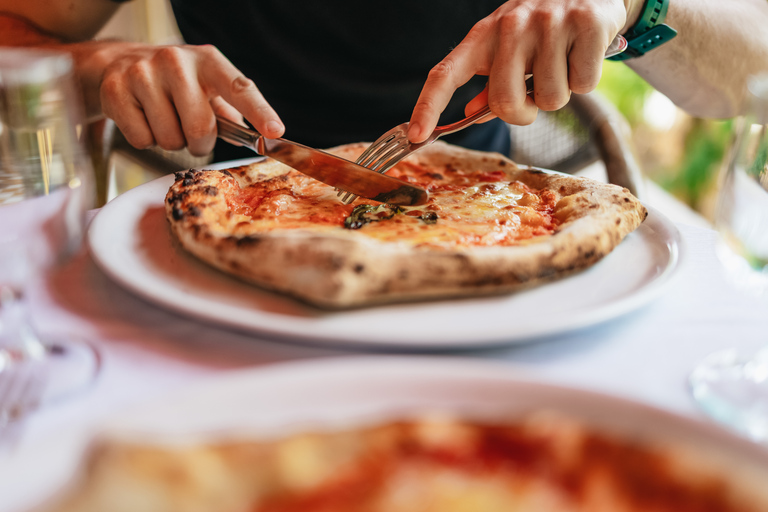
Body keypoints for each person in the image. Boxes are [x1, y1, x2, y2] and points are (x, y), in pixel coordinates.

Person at [2, 0, 768, 163]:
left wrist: (631, 4)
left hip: (489, 223)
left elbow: (750, 74)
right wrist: (100, 66)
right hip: (239, 224)